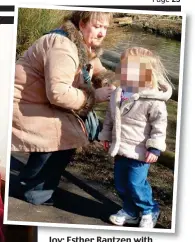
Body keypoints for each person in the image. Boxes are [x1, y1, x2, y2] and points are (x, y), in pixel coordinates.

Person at [11, 11, 116, 206]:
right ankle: (34, 190)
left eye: (105, 28)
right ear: (82, 24)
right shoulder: (63, 46)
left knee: (67, 134)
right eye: (97, 26)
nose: (102, 33)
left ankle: (36, 184)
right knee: (63, 135)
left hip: (39, 102)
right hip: (23, 104)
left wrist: (110, 82)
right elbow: (58, 93)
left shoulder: (82, 44)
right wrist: (94, 97)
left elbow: (98, 69)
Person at [98, 47, 173, 228]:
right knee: (121, 182)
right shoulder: (119, 92)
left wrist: (154, 147)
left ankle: (149, 210)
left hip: (140, 151)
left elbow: (159, 126)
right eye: (122, 68)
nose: (124, 73)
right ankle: (130, 210)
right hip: (120, 147)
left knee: (136, 183)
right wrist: (106, 135)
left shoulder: (153, 100)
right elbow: (110, 117)